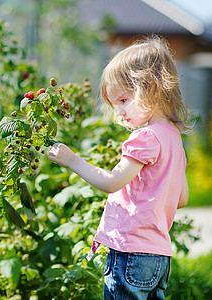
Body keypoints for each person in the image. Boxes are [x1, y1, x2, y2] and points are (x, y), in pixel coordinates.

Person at [48, 36, 192, 299]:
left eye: (124, 100)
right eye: (116, 104)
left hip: (130, 251)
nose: (120, 111)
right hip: (158, 256)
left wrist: (72, 161)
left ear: (152, 89)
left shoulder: (145, 137)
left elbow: (113, 181)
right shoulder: (173, 138)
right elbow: (182, 198)